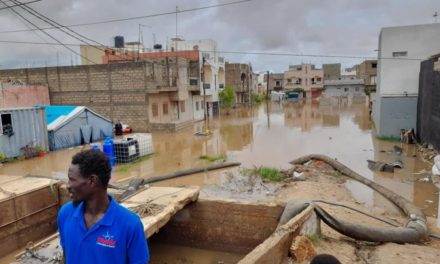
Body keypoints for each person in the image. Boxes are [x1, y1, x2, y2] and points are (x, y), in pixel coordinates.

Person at [57, 149, 150, 263]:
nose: (68, 185)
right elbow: (67, 256)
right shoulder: (65, 214)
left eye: (72, 179)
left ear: (92, 181)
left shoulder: (130, 225)